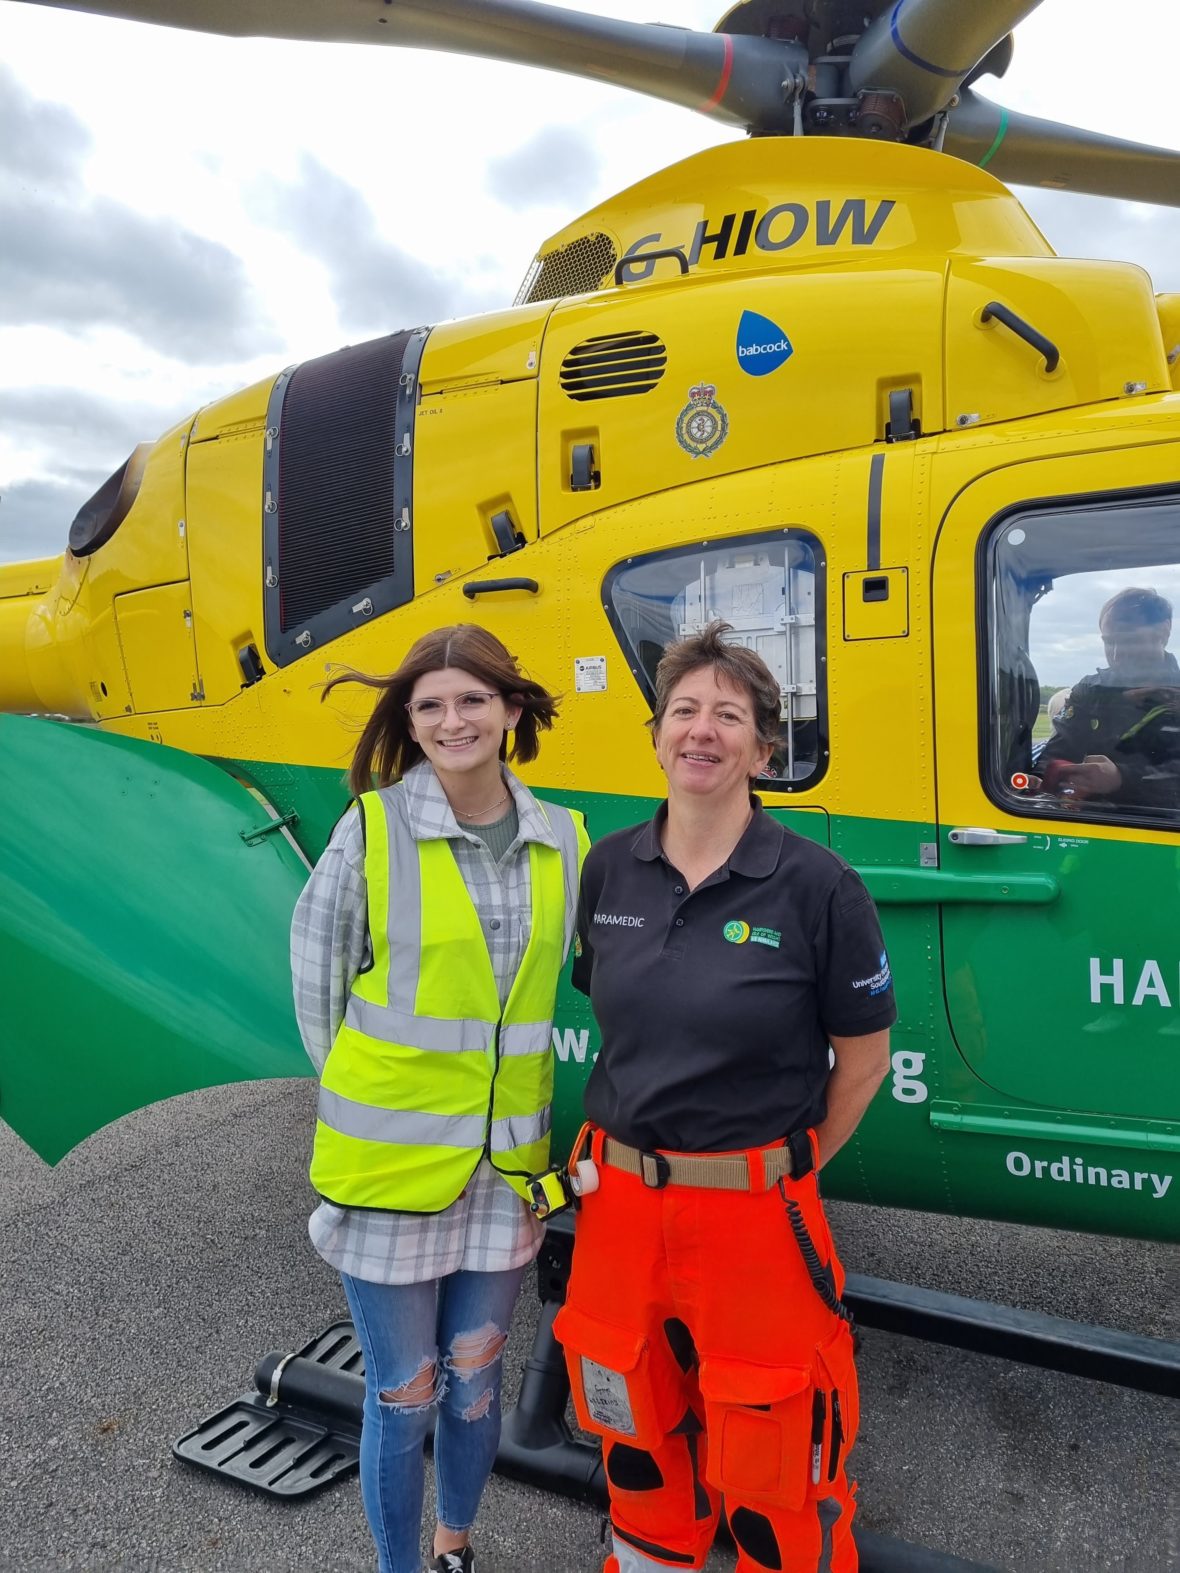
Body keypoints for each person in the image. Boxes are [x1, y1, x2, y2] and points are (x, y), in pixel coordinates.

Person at [554, 622, 895, 1573]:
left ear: (763, 748)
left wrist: (787, 1167)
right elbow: (627, 1017)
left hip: (755, 1211)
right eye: (684, 711)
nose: (702, 731)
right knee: (634, 1431)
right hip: (618, 1203)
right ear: (657, 732)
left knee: (777, 1453)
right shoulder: (609, 868)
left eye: (728, 716)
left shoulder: (819, 887)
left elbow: (862, 1060)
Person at [291, 624, 588, 1573]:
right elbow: (319, 990)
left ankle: (454, 1545)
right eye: (430, 705)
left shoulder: (565, 839)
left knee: (473, 1385)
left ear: (510, 709)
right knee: (404, 1393)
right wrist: (377, 1097)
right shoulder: (371, 828)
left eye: (472, 699)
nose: (452, 719)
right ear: (409, 723)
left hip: (504, 1174)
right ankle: (399, 1566)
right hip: (389, 1168)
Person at [1032, 587, 1180, 810]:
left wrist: (1122, 778)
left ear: (1164, 632)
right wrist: (1038, 779)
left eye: (1129, 641)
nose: (1117, 654)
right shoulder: (1090, 689)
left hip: (1160, 829)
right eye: (1109, 642)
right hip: (1085, 824)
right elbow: (1059, 749)